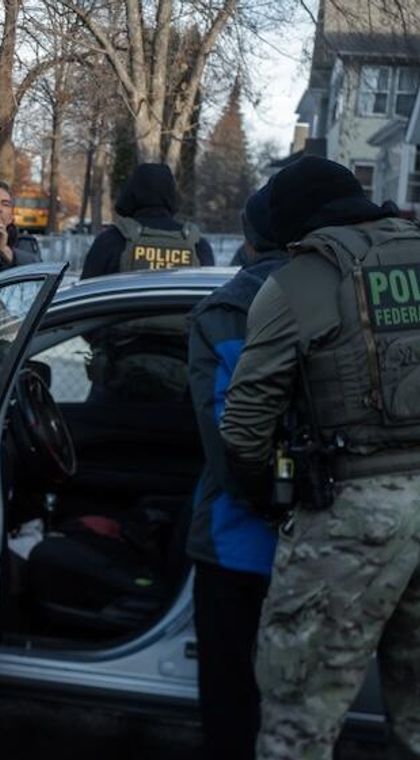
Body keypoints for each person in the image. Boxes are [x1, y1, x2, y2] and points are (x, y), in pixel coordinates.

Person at [219, 156, 420, 759]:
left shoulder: (299, 283)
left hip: (352, 522)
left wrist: (264, 498)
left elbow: (244, 429)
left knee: (298, 724)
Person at [186, 182, 288, 760]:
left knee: (230, 700)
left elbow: (225, 439)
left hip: (237, 544)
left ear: (247, 239)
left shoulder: (225, 310)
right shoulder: (336, 297)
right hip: (323, 540)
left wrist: (269, 500)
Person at [81, 163, 213, 278]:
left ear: (130, 194)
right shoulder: (198, 246)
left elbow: (83, 297)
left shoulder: (110, 242)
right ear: (172, 196)